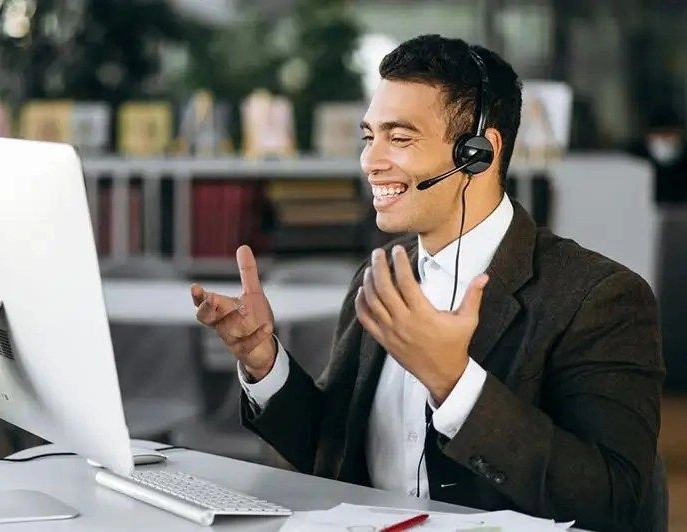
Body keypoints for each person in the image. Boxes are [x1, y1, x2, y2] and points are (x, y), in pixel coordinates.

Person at [190, 34, 664, 531]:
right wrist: (265, 362)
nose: (370, 161)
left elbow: (613, 503)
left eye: (400, 138)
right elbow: (330, 450)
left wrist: (455, 383)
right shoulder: (380, 277)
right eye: (368, 136)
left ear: (478, 153)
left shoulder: (600, 298)